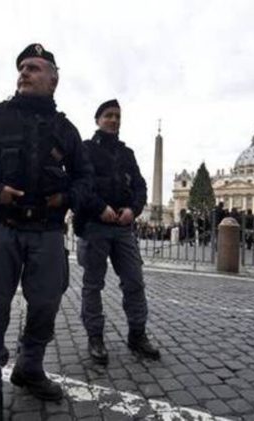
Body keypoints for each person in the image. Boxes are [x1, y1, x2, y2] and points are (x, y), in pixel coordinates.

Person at [0, 43, 93, 419]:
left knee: (45, 306)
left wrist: (66, 197)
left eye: (34, 67)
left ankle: (29, 368)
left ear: (53, 78)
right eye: (22, 67)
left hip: (46, 230)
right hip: (2, 228)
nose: (24, 72)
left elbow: (85, 177)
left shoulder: (66, 130)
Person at [74, 99, 160, 365]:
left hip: (123, 227)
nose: (114, 120)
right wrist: (100, 208)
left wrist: (133, 210)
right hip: (95, 225)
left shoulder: (127, 153)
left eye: (118, 117)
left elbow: (141, 187)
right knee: (93, 285)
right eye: (109, 115)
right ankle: (95, 337)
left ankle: (137, 333)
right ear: (98, 119)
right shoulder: (85, 149)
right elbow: (79, 184)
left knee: (134, 281)